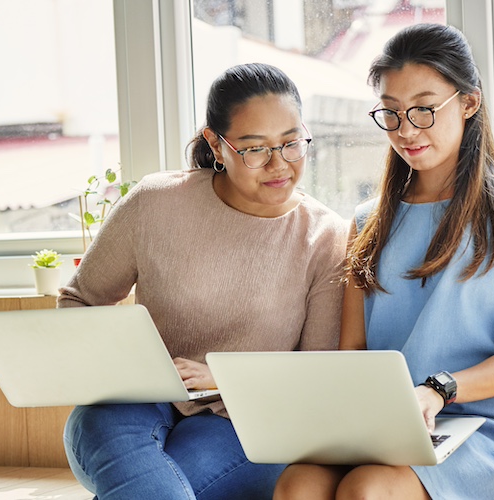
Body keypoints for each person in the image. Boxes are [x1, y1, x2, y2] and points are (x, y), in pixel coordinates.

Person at [273, 23, 494, 500]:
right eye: (391, 113)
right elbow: (354, 353)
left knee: (368, 490)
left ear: (469, 102)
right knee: (297, 486)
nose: (406, 131)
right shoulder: (368, 221)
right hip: (387, 428)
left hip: (481, 427)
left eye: (424, 109)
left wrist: (437, 390)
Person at [58, 63, 347, 500]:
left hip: (245, 424)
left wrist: (219, 377)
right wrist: (135, 367)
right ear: (216, 143)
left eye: (291, 143)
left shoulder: (324, 236)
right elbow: (80, 300)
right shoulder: (156, 204)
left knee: (162, 482)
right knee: (98, 423)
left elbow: (316, 377)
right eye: (254, 149)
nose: (279, 164)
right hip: (135, 402)